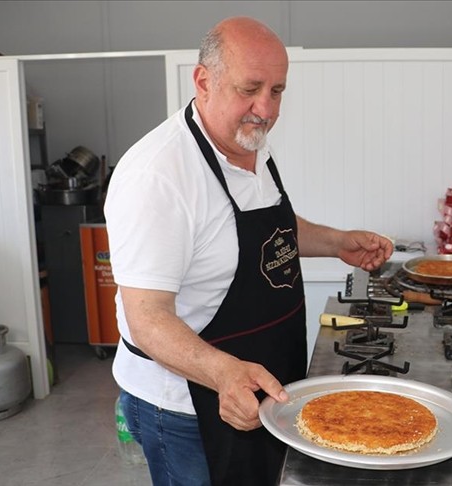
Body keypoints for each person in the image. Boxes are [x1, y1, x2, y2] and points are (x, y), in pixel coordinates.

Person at [104, 16, 393, 486]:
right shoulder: (157, 176)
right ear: (203, 81)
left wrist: (337, 243)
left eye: (277, 90)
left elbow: (268, 232)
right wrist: (221, 373)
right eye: (250, 89)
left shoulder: (252, 143)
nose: (266, 108)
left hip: (260, 386)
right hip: (186, 407)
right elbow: (147, 318)